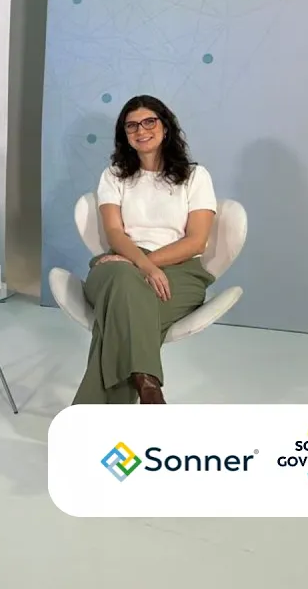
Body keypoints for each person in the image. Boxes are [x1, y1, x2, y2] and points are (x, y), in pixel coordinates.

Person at [71, 95, 218, 405]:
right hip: (119, 264)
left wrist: (147, 264)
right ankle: (148, 385)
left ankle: (94, 421)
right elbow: (114, 232)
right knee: (124, 283)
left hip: (179, 270)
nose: (141, 130)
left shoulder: (196, 177)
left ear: (165, 126)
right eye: (132, 126)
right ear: (124, 134)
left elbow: (196, 241)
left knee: (118, 322)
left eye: (149, 122)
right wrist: (141, 264)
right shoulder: (113, 175)